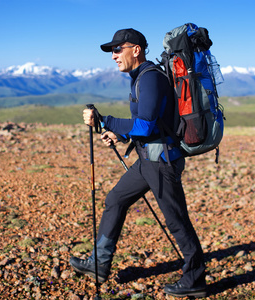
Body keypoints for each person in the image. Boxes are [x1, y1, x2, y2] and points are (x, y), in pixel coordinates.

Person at [69, 28, 207, 298]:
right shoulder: (140, 78)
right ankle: (100, 262)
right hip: (148, 161)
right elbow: (149, 123)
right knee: (116, 199)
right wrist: (119, 134)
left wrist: (105, 120)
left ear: (137, 49)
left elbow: (145, 126)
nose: (113, 56)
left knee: (177, 220)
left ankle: (195, 278)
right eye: (112, 51)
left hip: (161, 163)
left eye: (118, 49)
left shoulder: (151, 78)